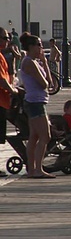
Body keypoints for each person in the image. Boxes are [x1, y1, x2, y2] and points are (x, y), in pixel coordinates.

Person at [20, 32, 55, 178]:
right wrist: (46, 82)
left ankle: (32, 169)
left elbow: (50, 82)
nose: (41, 47)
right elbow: (44, 83)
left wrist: (45, 63)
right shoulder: (29, 62)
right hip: (35, 102)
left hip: (37, 101)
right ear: (31, 46)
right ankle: (37, 169)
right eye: (39, 45)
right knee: (45, 136)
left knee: (34, 136)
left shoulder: (35, 62)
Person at [0, 27, 19, 177]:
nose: (8, 41)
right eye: (5, 38)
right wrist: (13, 91)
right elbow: (2, 80)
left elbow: (7, 77)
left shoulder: (2, 56)